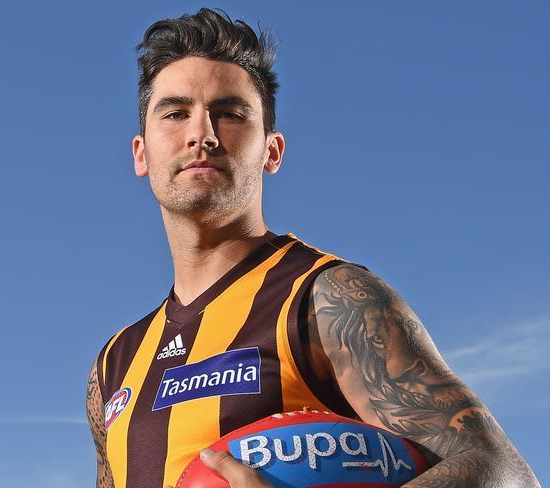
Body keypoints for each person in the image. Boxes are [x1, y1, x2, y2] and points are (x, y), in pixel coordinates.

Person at [86, 8, 539, 488]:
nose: (203, 135)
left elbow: (505, 475)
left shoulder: (330, 298)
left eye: (231, 114)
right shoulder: (114, 365)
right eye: (176, 114)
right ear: (141, 153)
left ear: (271, 151)